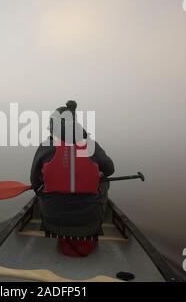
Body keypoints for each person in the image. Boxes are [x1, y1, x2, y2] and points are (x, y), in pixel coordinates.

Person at [30, 101, 115, 257]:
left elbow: (35, 184)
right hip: (90, 223)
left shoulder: (46, 146)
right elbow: (110, 170)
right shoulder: (89, 145)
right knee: (104, 179)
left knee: (42, 187)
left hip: (52, 222)